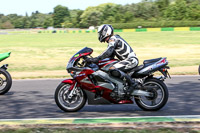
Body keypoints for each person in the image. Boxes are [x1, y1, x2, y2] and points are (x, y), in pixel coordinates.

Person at [86, 24, 139, 95]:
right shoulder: (113, 40)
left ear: (105, 32)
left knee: (112, 69)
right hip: (128, 60)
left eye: (100, 33)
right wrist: (96, 61)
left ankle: (132, 83)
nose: (100, 35)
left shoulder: (113, 39)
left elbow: (108, 52)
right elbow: (109, 56)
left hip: (130, 60)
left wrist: (96, 59)